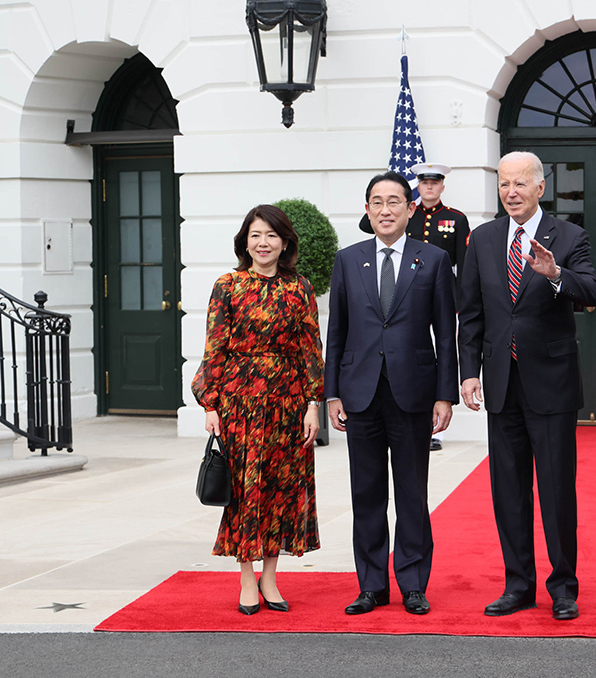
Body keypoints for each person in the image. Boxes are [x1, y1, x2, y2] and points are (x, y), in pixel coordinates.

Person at [458, 151, 596, 621]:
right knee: (508, 490)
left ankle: (563, 588)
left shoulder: (570, 236)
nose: (511, 192)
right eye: (504, 183)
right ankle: (518, 584)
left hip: (551, 383)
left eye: (520, 183)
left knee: (556, 489)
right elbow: (471, 313)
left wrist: (556, 274)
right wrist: (469, 371)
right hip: (502, 382)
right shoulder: (482, 239)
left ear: (541, 187)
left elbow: (592, 292)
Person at [325, 171, 459, 617]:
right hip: (359, 393)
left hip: (413, 392)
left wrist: (445, 395)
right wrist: (331, 393)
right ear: (367, 210)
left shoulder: (433, 259)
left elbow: (446, 331)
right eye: (377, 202)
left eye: (394, 202)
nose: (385, 210)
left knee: (411, 494)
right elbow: (337, 332)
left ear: (410, 208)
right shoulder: (348, 260)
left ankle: (413, 583)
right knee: (366, 494)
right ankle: (371, 586)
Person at [192, 204, 324, 616]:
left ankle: (270, 576)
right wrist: (210, 403)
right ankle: (247, 578)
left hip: (288, 402)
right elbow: (214, 347)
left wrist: (313, 404)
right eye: (255, 235)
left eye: (271, 235)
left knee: (280, 489)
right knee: (245, 491)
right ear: (244, 242)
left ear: (284, 243)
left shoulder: (299, 288)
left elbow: (310, 349)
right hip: (240, 401)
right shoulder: (228, 285)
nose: (263, 243)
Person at [359, 162, 470, 452]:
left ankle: (435, 429)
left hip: (438, 296)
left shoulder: (455, 218)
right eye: (424, 183)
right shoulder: (407, 214)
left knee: (432, 351)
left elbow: (463, 263)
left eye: (434, 183)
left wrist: (460, 301)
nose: (429, 187)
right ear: (418, 187)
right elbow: (369, 225)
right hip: (398, 299)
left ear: (442, 186)